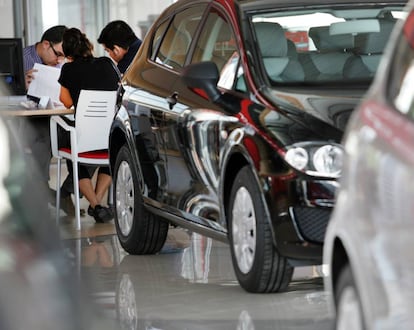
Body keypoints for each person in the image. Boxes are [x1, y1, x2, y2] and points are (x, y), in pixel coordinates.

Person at [58, 27, 120, 223]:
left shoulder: (68, 69)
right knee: (111, 156)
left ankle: (96, 204)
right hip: (109, 136)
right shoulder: (108, 63)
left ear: (68, 54)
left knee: (72, 151)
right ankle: (99, 205)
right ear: (88, 46)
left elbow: (66, 102)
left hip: (83, 138)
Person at [22, 24, 79, 215]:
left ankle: (65, 191)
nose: (59, 60)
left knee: (87, 140)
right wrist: (20, 85)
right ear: (46, 44)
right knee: (42, 134)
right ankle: (41, 190)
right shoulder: (21, 59)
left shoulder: (63, 63)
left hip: (60, 115)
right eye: (58, 54)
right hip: (31, 119)